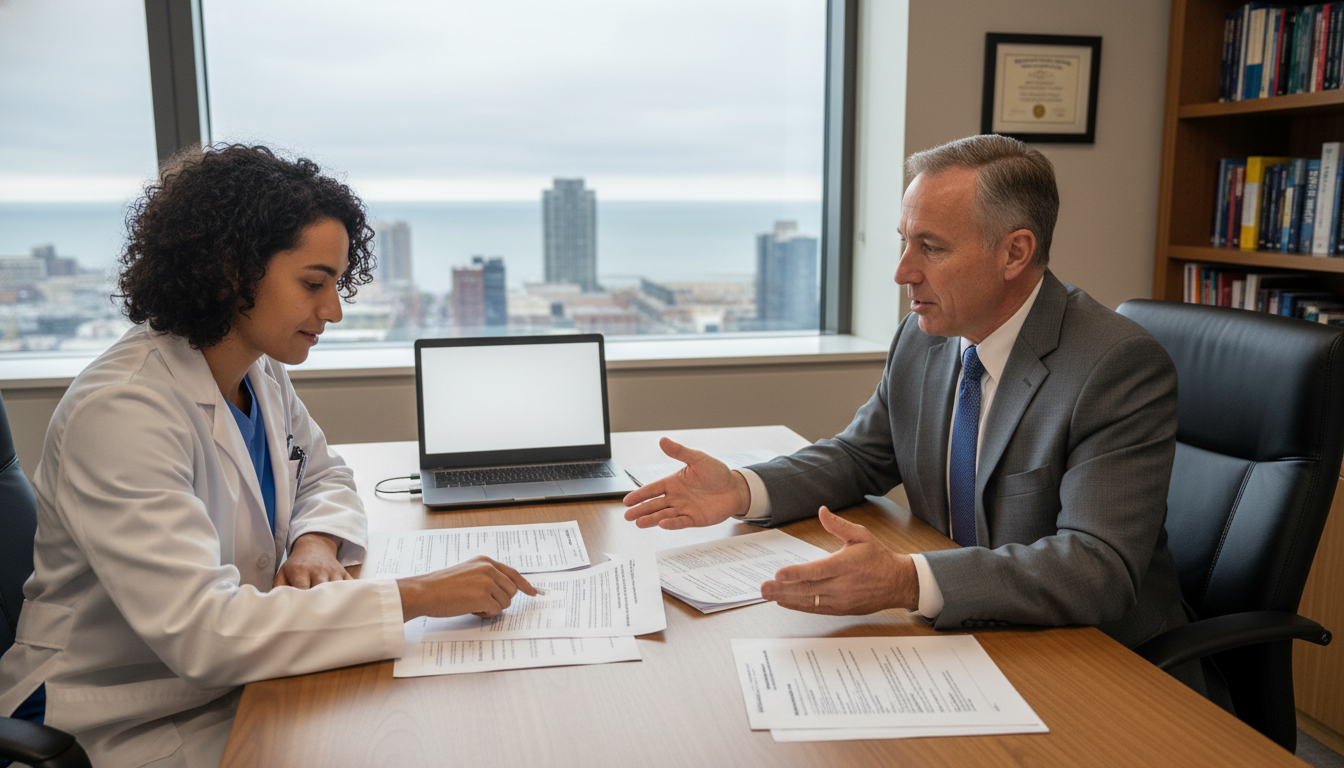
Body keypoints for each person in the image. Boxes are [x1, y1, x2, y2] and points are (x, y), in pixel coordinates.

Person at [0, 144, 536, 768]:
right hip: (118, 714)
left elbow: (325, 472)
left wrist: (315, 542)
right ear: (231, 270)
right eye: (313, 283)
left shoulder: (256, 371)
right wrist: (417, 595)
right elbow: (207, 635)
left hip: (234, 681)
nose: (332, 310)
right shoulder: (122, 411)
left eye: (336, 283)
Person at [623, 134, 1199, 684]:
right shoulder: (925, 336)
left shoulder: (1115, 366)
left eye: (931, 246)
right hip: (973, 642)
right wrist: (743, 490)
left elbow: (1098, 567)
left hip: (1100, 660)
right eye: (903, 240)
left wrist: (907, 580)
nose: (903, 271)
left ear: (1015, 252)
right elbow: (859, 456)